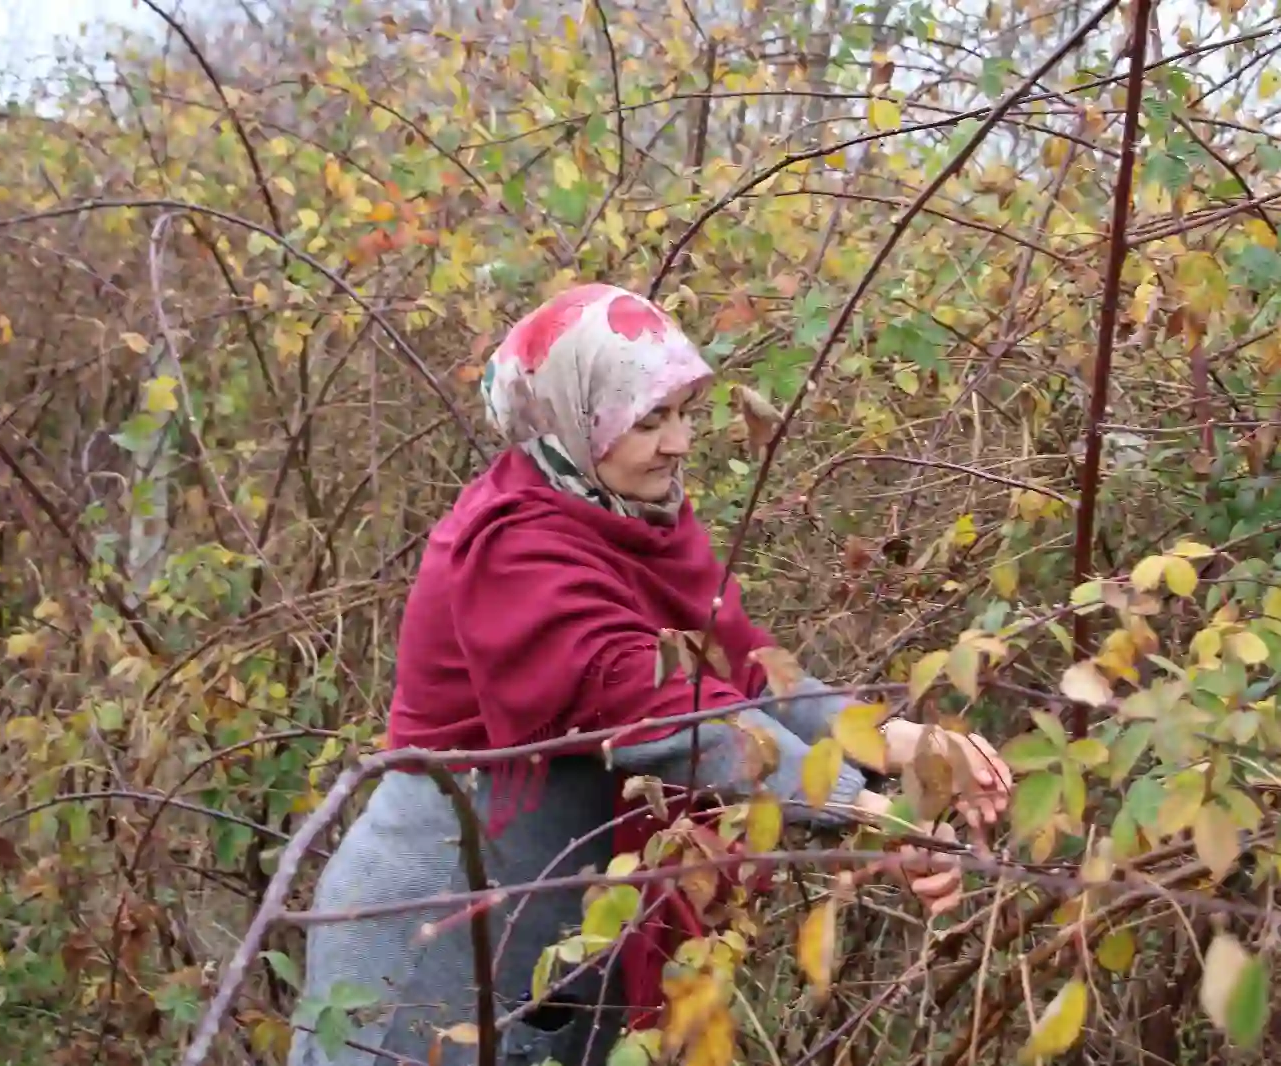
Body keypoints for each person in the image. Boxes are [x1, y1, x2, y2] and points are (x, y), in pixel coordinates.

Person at [288, 283, 1013, 1066]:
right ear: (571, 418)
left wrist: (906, 744)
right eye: (648, 420)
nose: (679, 442)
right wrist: (870, 813)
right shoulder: (513, 548)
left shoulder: (635, 520)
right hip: (433, 938)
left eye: (684, 412)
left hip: (556, 937)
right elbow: (670, 719)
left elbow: (745, 676)